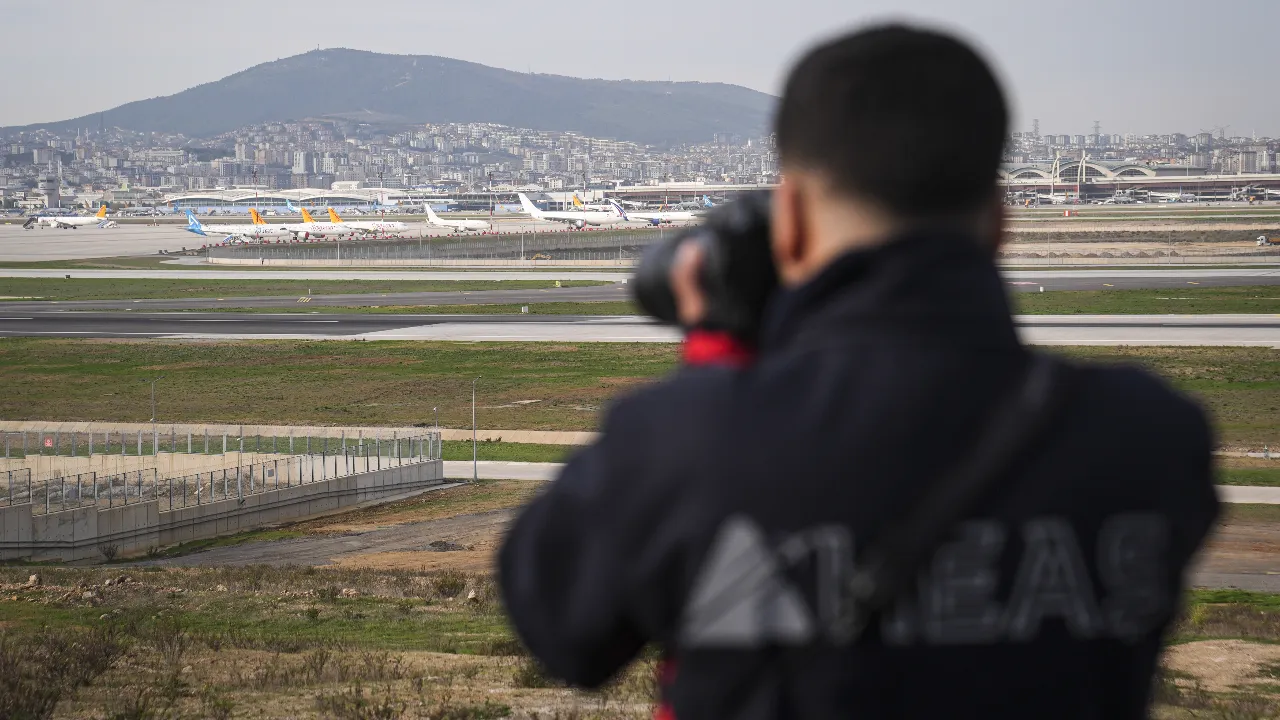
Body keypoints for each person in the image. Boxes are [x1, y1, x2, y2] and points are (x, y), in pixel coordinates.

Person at [499, 24, 1218, 719]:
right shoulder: (1153, 438)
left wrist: (719, 364)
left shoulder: (683, 444)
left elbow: (559, 629)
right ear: (1001, 223)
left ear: (793, 224)